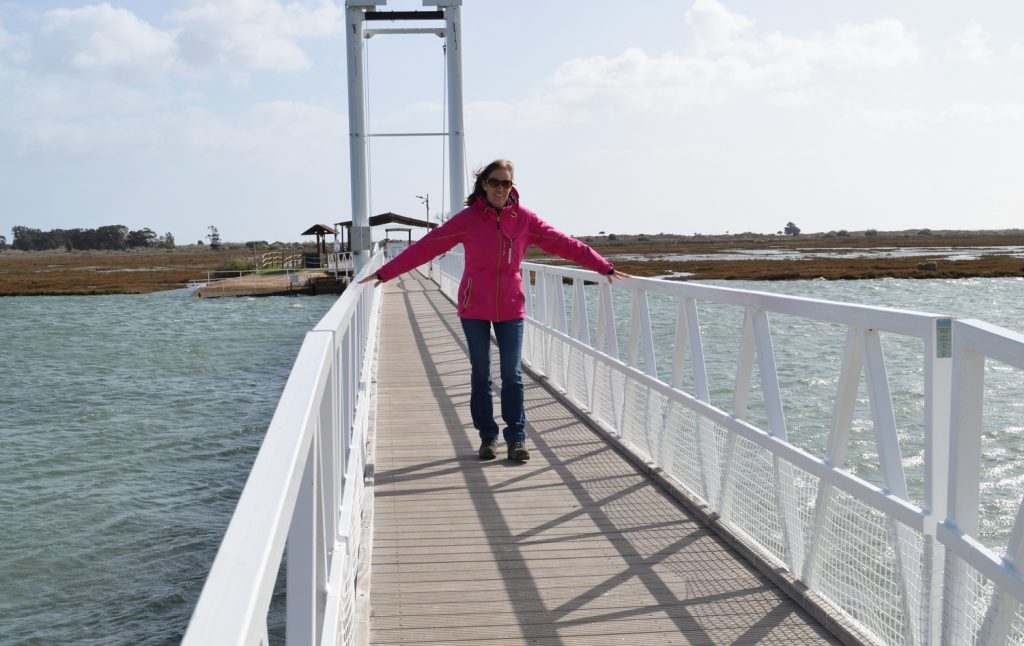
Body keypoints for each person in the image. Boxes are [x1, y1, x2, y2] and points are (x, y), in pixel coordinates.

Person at [360, 159, 624, 462]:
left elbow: (564, 244)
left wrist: (604, 266)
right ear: (483, 184)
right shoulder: (468, 219)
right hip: (474, 306)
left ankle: (517, 438)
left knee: (512, 374)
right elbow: (427, 247)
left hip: (512, 307)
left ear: (512, 187)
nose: (501, 188)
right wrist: (384, 273)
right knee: (481, 374)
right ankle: (488, 436)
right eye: (495, 182)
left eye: (506, 183)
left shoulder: (524, 219)